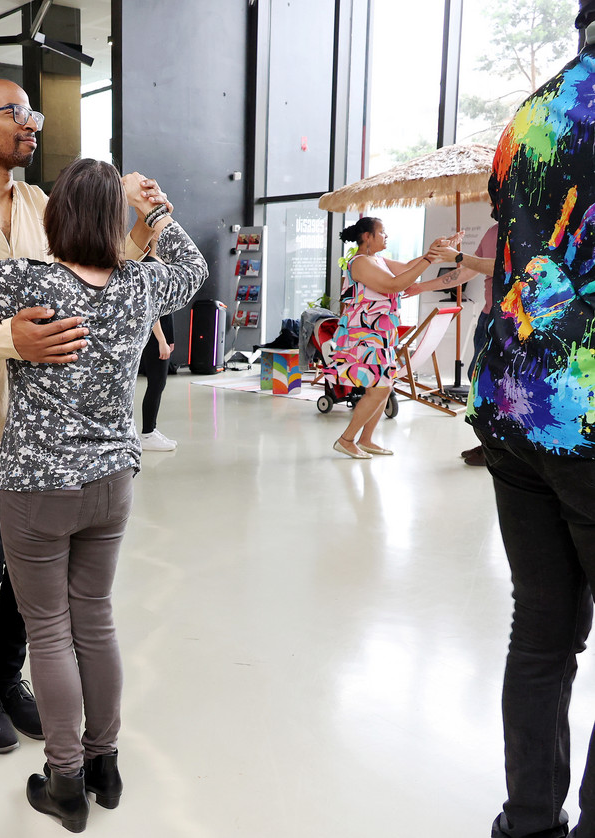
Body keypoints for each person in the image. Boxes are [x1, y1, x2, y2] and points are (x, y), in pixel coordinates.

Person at [0, 157, 208, 833]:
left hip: (39, 485)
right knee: (94, 620)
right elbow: (194, 267)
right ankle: (106, 764)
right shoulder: (140, 283)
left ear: (57, 216)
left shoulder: (31, 280)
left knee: (49, 632)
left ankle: (64, 780)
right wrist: (155, 211)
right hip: (112, 484)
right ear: (111, 220)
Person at [0, 77, 171, 756]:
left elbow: (98, 273)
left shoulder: (43, 203)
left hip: (49, 434)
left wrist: (142, 227)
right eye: (18, 113)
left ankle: (10, 674)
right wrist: (8, 340)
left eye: (33, 113)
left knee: (35, 572)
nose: (32, 125)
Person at [434, 5, 595, 836]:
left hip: (513, 398)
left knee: (540, 629)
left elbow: (516, 240)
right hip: (591, 411)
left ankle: (528, 822)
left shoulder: (530, 113)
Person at [329, 217, 444, 458]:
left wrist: (434, 252)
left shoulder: (377, 259)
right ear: (367, 237)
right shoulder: (359, 263)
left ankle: (366, 439)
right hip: (364, 334)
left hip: (380, 334)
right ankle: (346, 439)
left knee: (385, 385)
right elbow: (394, 285)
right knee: (379, 389)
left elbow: (408, 268)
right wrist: (428, 258)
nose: (386, 236)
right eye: (382, 232)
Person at [406, 220, 499, 466]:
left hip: (512, 321)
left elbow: (505, 267)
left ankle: (499, 450)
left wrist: (459, 255)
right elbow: (466, 272)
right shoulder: (491, 232)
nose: (493, 201)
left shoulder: (522, 230)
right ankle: (491, 446)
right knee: (478, 381)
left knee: (494, 386)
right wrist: (421, 287)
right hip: (488, 318)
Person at [138, 315, 177, 451]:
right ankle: (147, 434)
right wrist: (161, 340)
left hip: (161, 337)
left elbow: (167, 314)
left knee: (158, 384)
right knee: (156, 384)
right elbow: (153, 313)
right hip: (155, 338)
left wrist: (169, 339)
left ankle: (151, 429)